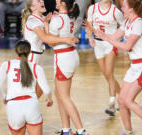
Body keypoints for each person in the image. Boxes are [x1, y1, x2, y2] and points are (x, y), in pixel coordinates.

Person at [85, 0, 142, 134]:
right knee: (121, 101)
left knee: (128, 100)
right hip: (135, 65)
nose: (121, 8)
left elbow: (127, 46)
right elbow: (113, 37)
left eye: (124, 6)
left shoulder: (138, 23)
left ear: (131, 9)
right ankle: (128, 131)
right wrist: (97, 33)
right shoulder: (127, 22)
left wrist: (107, 38)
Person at [22, 0, 79, 98]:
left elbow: (51, 31)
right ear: (32, 8)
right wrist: (65, 39)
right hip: (32, 56)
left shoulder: (43, 18)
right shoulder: (33, 20)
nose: (42, 1)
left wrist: (53, 19)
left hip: (39, 55)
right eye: (38, 1)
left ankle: (33, 109)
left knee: (40, 89)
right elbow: (45, 38)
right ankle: (26, 110)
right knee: (30, 89)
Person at [0, 40, 53, 135]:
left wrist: (4, 98)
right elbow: (47, 90)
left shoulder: (6, 65)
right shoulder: (36, 67)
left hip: (13, 106)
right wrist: (49, 100)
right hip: (31, 105)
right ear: (30, 52)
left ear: (15, 51)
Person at [48, 0, 88, 135]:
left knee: (64, 97)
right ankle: (66, 129)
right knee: (59, 94)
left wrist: (46, 25)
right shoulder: (69, 17)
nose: (55, 1)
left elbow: (50, 42)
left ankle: (81, 130)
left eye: (58, 0)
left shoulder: (57, 20)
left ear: (63, 3)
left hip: (63, 58)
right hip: (70, 55)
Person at [87, 0, 124, 116]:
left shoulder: (115, 11)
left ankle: (112, 104)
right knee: (107, 76)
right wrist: (90, 38)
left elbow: (124, 26)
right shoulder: (93, 8)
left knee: (109, 73)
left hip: (110, 43)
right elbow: (89, 25)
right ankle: (124, 98)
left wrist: (115, 38)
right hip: (98, 45)